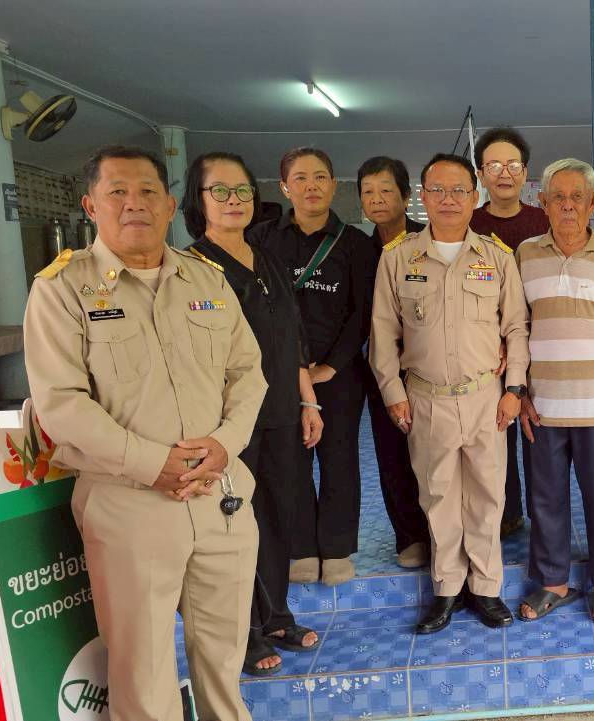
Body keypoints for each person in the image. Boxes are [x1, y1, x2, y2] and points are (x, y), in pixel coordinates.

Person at [24, 145, 266, 720]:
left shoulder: (206, 279)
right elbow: (61, 404)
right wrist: (150, 463)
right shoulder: (63, 289)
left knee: (224, 658)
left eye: (148, 192)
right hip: (129, 505)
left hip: (219, 496)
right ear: (91, 206)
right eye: (117, 192)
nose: (134, 203)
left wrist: (224, 444)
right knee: (143, 669)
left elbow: (248, 373)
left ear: (170, 205)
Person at [370, 153, 530, 634]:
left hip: (485, 396)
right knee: (437, 495)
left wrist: (514, 388)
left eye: (459, 190)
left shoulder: (496, 257)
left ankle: (486, 588)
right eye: (437, 190)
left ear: (474, 196)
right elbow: (382, 332)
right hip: (426, 397)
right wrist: (392, 391)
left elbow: (516, 328)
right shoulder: (398, 257)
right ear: (423, 196)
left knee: (487, 496)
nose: (448, 199)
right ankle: (446, 588)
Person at [181, 151, 323, 675]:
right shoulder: (190, 268)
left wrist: (308, 400)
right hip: (228, 424)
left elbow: (292, 334)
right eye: (219, 191)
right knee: (234, 526)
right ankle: (243, 632)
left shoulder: (266, 258)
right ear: (198, 201)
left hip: (281, 410)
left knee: (279, 517)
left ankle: (277, 615)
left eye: (241, 190)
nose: (233, 200)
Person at [515, 158, 594, 624]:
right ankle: (553, 582)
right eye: (558, 197)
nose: (568, 205)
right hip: (543, 404)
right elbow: (516, 327)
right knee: (545, 497)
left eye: (577, 197)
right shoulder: (525, 254)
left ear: (593, 202)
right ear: (542, 202)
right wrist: (521, 392)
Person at [248, 147, 376, 586]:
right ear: (285, 188)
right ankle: (300, 546)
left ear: (333, 185)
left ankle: (337, 548)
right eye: (300, 178)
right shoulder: (261, 240)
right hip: (279, 373)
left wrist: (331, 367)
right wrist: (292, 369)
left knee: (339, 458)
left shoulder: (356, 244)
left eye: (320, 177)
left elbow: (362, 313)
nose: (311, 186)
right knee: (290, 459)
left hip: (339, 374)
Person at [470, 127, 550, 538]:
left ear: (525, 172)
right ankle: (505, 512)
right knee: (496, 434)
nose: (505, 173)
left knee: (538, 434)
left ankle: (544, 520)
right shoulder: (468, 223)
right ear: (480, 174)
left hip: (543, 348)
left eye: (513, 164)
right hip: (486, 352)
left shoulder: (543, 221)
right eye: (494, 165)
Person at [357, 155, 432, 569]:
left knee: (436, 452)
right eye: (368, 192)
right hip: (382, 368)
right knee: (392, 452)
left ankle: (442, 532)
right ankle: (410, 535)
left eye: (386, 190)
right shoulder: (357, 251)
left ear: (406, 197)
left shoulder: (429, 240)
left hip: (430, 365)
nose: (377, 199)